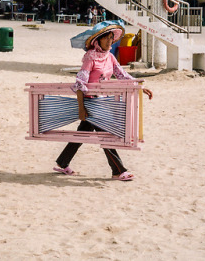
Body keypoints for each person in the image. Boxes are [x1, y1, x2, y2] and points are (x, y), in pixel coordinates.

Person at [53, 23, 153, 181]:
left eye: (111, 38)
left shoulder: (110, 57)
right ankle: (118, 171)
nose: (109, 41)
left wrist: (139, 87)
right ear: (97, 40)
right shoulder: (90, 57)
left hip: (103, 102)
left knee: (82, 134)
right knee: (106, 135)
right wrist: (81, 108)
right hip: (91, 103)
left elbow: (122, 75)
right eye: (106, 38)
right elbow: (80, 83)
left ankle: (62, 162)